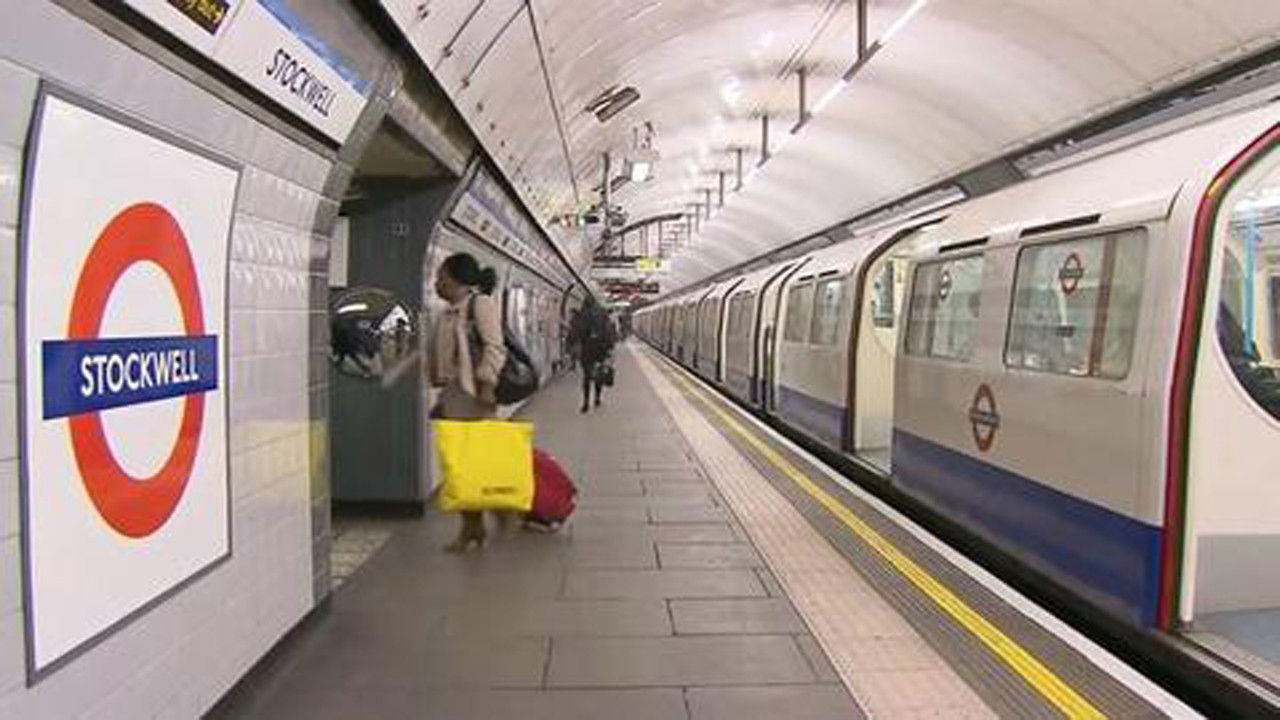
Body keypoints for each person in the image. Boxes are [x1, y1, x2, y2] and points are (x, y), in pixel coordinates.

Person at [428, 252, 508, 552]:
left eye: (441, 278)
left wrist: (487, 383)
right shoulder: (449, 313)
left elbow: (495, 347)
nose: (437, 283)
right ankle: (474, 526)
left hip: (475, 396)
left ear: (458, 280)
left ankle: (490, 517)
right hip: (454, 395)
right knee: (459, 466)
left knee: (472, 464)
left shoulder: (480, 305)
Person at [567, 297, 616, 413]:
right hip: (601, 349)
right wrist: (609, 348)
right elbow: (609, 332)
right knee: (599, 373)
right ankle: (597, 398)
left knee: (587, 376)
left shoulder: (583, 315)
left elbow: (576, 332)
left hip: (587, 349)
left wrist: (570, 343)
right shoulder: (603, 314)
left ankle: (585, 402)